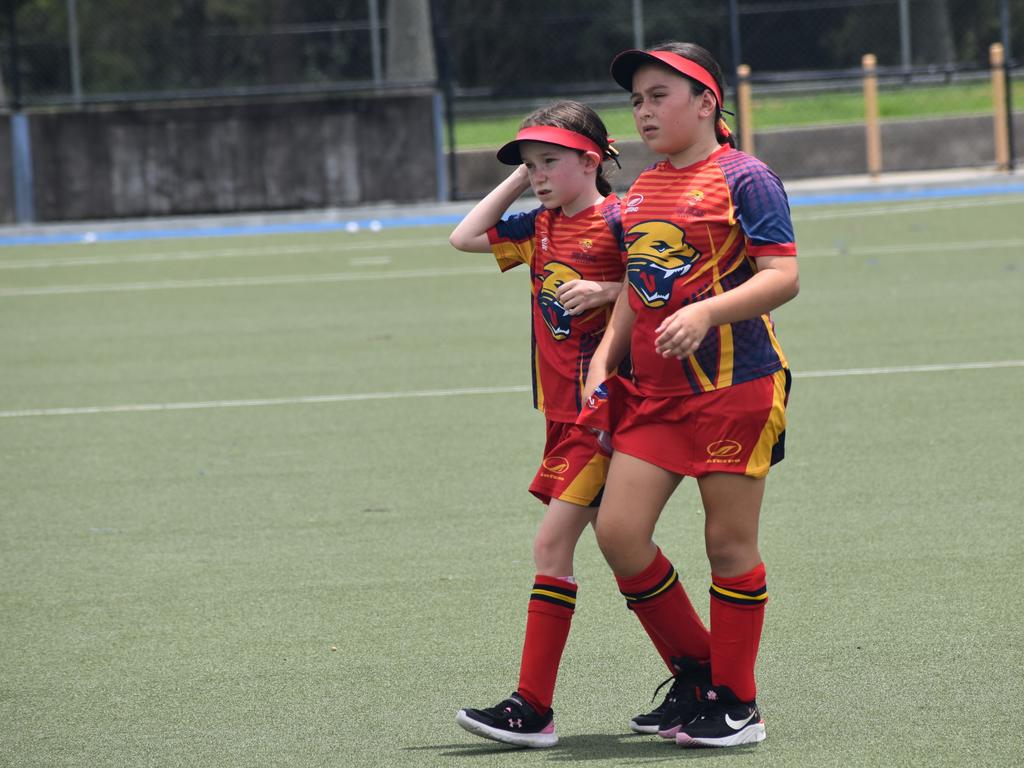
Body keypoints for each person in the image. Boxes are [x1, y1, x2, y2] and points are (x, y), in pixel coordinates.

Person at [578, 42, 800, 749]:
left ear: (706, 102)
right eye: (637, 99)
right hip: (656, 397)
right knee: (618, 534)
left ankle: (737, 706)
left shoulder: (746, 176)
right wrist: (605, 359)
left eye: (659, 95)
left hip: (736, 389)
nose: (644, 110)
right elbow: (637, 290)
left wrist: (708, 312)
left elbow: (783, 275)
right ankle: (700, 675)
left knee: (727, 543)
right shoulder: (639, 190)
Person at [447, 100, 627, 748]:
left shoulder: (620, 220)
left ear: (592, 159)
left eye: (549, 161)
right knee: (624, 552)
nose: (538, 174)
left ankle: (533, 709)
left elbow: (667, 286)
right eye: (530, 164)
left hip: (603, 415)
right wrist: (521, 180)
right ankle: (699, 673)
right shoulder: (540, 227)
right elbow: (463, 236)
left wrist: (609, 293)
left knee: (553, 547)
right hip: (558, 417)